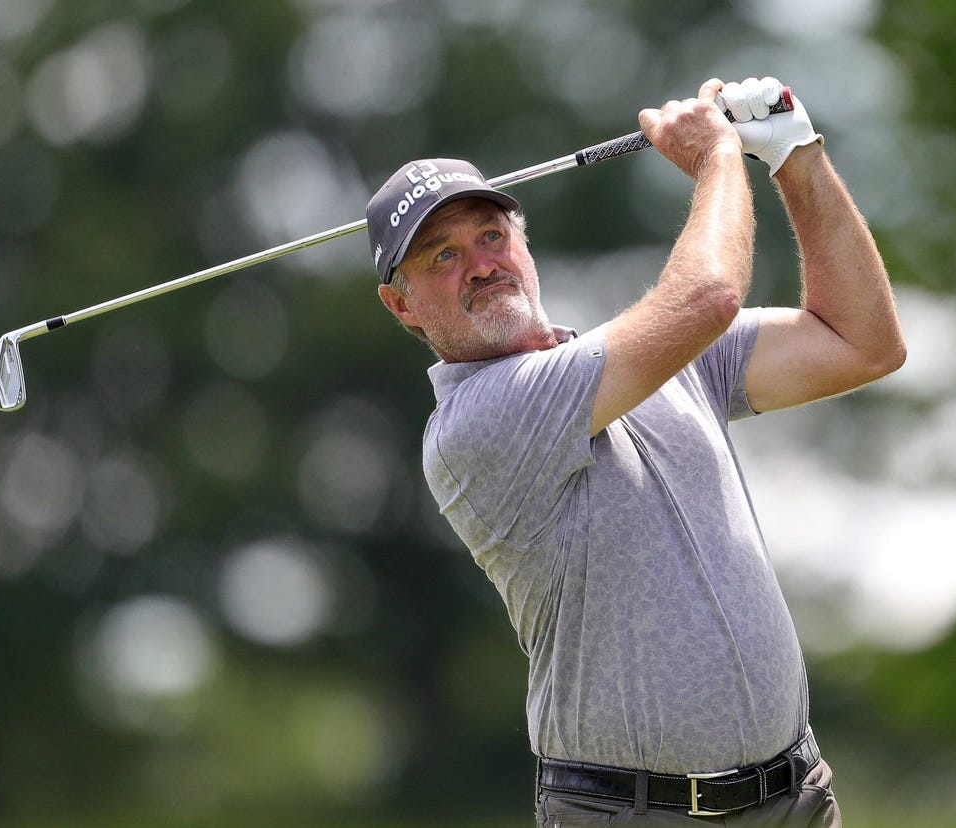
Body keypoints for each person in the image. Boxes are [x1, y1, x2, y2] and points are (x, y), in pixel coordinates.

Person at [365, 76, 905, 825]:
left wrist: (795, 157)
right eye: (440, 256)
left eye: (491, 236)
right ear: (402, 306)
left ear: (523, 244)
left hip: (796, 800)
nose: (481, 264)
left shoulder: (658, 360)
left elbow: (863, 343)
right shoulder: (476, 423)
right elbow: (708, 298)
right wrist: (719, 156)